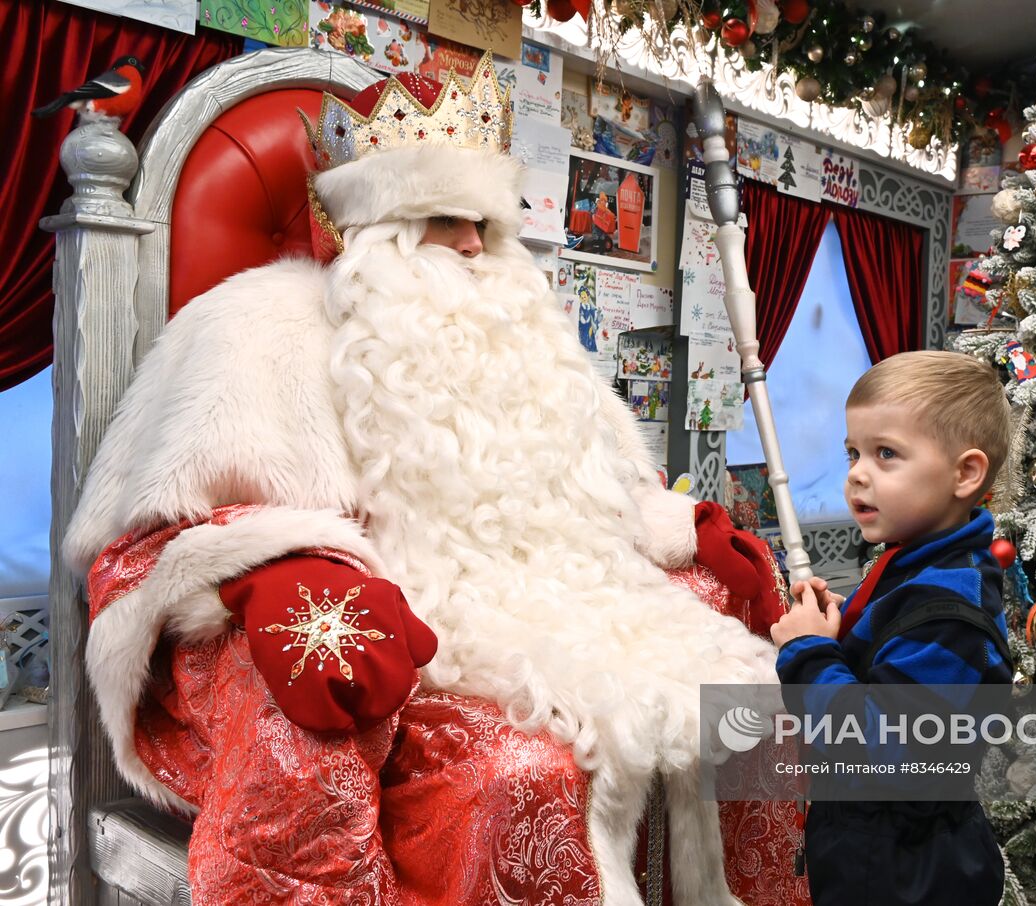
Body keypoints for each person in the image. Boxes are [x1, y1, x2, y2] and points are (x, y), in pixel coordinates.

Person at [64, 62, 802, 906]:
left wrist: (674, 524)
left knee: (745, 697)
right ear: (372, 227)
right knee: (517, 769)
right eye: (443, 220)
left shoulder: (524, 341)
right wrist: (280, 569)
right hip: (405, 631)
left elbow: (597, 488)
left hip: (541, 606)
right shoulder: (259, 328)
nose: (469, 246)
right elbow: (151, 538)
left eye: (484, 226)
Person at [770, 350, 1014, 906]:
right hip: (874, 857)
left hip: (909, 877)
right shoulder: (913, 566)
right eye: (853, 452)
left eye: (886, 454)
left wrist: (809, 654)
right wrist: (837, 631)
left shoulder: (950, 610)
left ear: (965, 473)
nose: (857, 472)